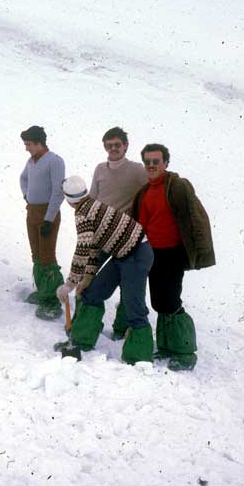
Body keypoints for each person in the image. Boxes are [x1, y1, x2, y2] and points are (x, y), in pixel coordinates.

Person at [131, 143, 215, 371]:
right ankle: (167, 346)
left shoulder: (178, 186)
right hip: (151, 253)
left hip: (172, 253)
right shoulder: (145, 191)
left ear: (165, 163)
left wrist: (199, 252)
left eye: (156, 161)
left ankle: (185, 351)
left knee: (171, 300)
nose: (151, 165)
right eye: (147, 162)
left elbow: (197, 216)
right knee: (159, 301)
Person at [55, 176, 154, 364]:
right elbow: (93, 247)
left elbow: (82, 250)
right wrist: (86, 279)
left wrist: (69, 284)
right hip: (122, 255)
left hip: (137, 255)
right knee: (92, 293)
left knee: (134, 307)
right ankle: (81, 341)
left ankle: (140, 358)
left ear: (68, 201)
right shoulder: (93, 205)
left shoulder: (84, 214)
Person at [89, 126, 148, 340]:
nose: (113, 148)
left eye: (117, 145)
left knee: (128, 282)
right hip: (101, 234)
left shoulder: (137, 170)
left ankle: (124, 328)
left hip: (127, 237)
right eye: (109, 145)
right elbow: (92, 199)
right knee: (87, 275)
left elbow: (151, 193)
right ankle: (85, 326)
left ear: (125, 146)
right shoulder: (100, 169)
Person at [19, 126, 66, 320]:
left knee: (47, 256)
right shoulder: (31, 161)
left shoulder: (54, 161)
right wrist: (26, 195)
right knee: (36, 254)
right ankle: (42, 291)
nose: (26, 148)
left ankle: (52, 301)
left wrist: (49, 218)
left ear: (39, 143)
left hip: (48, 213)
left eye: (29, 144)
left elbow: (58, 191)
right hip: (32, 212)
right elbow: (23, 178)